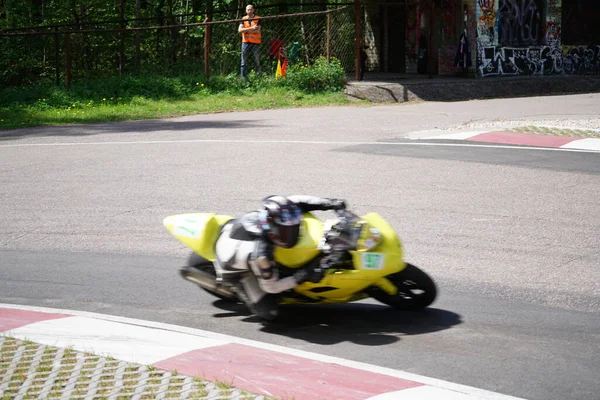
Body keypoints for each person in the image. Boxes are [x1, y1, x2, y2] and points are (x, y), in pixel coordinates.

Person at [214, 195, 347, 320]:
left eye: (295, 227)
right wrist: (301, 276)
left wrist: (331, 203)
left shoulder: (275, 212)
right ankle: (240, 291)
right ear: (272, 230)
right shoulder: (261, 256)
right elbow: (271, 287)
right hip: (236, 269)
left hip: (237, 233)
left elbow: (296, 200)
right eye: (286, 232)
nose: (292, 233)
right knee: (269, 313)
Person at [239, 4, 262, 77]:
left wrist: (245, 30)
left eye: (251, 9)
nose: (249, 11)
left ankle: (258, 77)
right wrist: (252, 28)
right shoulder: (243, 19)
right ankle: (243, 78)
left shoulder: (258, 18)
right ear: (246, 11)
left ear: (253, 10)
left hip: (255, 43)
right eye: (248, 10)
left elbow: (258, 30)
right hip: (245, 42)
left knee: (257, 61)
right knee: (243, 62)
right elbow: (240, 30)